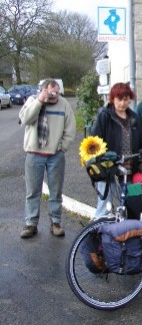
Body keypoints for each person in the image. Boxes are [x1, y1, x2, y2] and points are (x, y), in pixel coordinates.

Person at [91, 83, 142, 219]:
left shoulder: (134, 118)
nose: (122, 103)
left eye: (126, 99)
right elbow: (94, 142)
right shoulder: (105, 116)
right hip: (109, 171)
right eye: (119, 99)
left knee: (134, 207)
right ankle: (98, 237)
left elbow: (138, 143)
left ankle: (130, 237)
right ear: (112, 99)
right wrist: (104, 159)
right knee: (104, 209)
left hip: (131, 172)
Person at [19, 79, 76, 238]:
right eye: (51, 93)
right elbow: (25, 119)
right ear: (43, 91)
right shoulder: (32, 101)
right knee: (32, 192)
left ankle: (55, 223)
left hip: (55, 156)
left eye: (57, 93)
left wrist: (62, 147)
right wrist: (39, 101)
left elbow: (70, 128)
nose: (55, 96)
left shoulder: (63, 104)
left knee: (56, 192)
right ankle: (31, 224)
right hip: (34, 154)